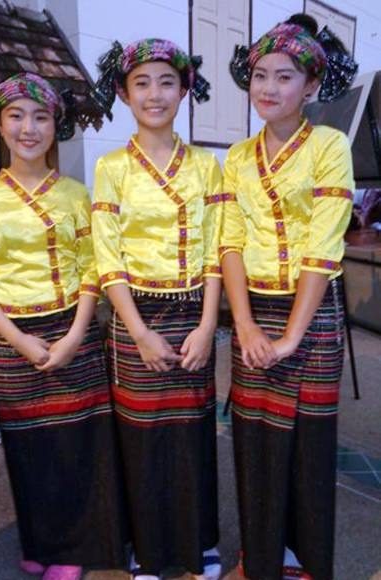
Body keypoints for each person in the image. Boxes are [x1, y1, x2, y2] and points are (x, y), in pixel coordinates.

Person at [0, 72, 128, 580]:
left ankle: (75, 548)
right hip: (10, 338)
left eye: (40, 117)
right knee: (28, 448)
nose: (28, 128)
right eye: (16, 116)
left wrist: (75, 335)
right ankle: (40, 540)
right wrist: (18, 339)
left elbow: (92, 268)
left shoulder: (75, 195)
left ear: (57, 125)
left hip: (74, 329)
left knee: (78, 445)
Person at [220, 14, 358, 580]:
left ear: (311, 86)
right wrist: (246, 326)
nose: (268, 88)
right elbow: (229, 243)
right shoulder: (237, 156)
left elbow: (323, 247)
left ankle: (304, 561)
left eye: (284, 76)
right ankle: (260, 558)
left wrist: (291, 337)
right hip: (254, 311)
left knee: (308, 446)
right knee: (253, 441)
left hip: (312, 312)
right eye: (260, 75)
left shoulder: (329, 146)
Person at [91, 39, 223, 580]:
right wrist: (140, 332)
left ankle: (199, 545)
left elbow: (217, 251)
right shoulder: (111, 167)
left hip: (194, 312)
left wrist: (209, 325)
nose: (155, 94)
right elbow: (108, 257)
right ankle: (147, 551)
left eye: (167, 82)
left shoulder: (207, 166)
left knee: (193, 434)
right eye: (141, 83)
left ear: (184, 90)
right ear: (124, 94)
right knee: (141, 439)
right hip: (134, 317)